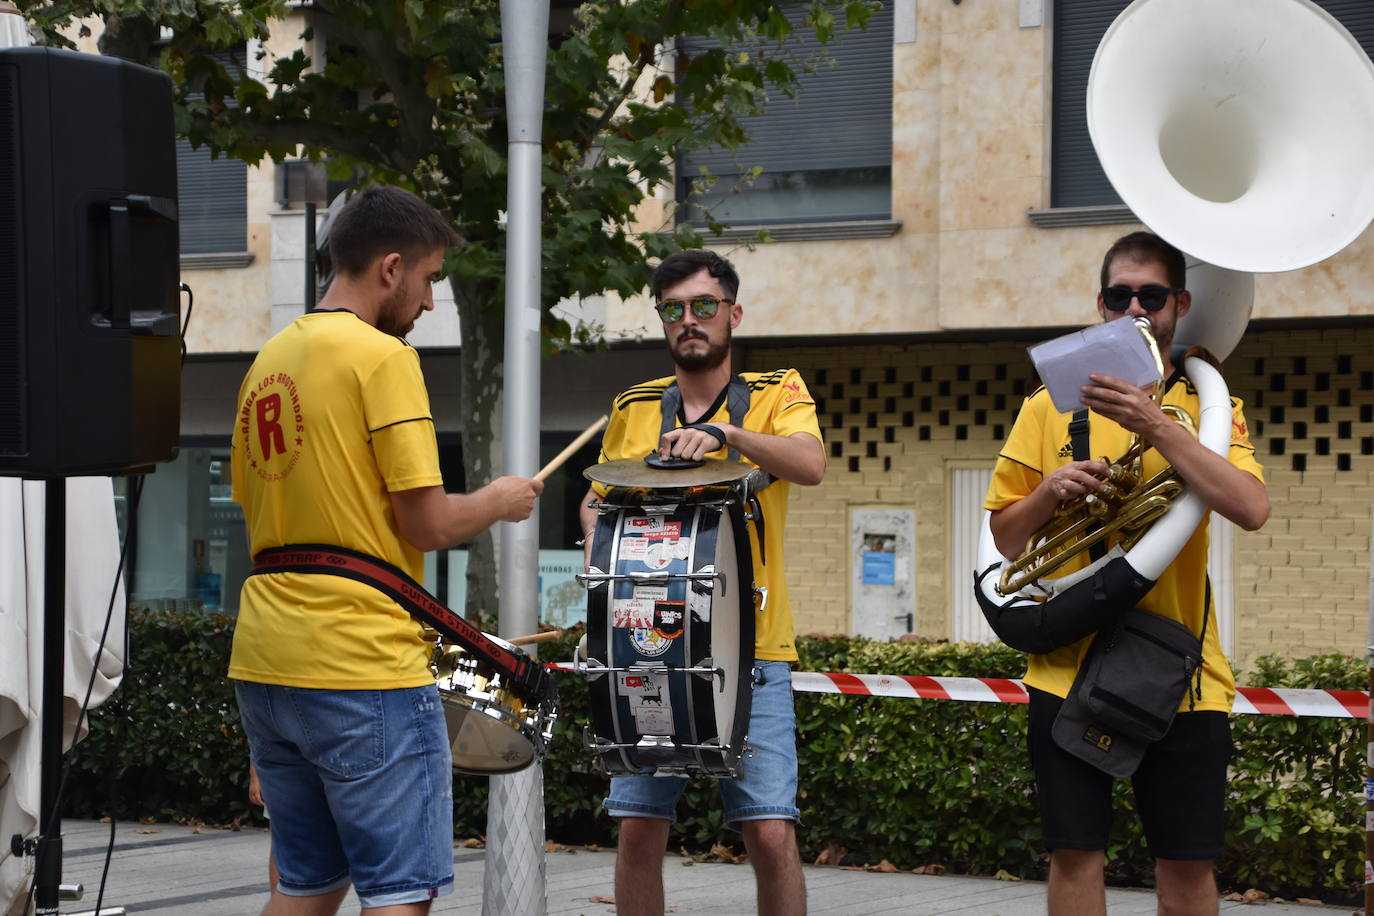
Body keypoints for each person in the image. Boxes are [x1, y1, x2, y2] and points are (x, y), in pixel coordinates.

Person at [229, 185, 543, 916]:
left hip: (267, 662)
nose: (431, 302)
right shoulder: (381, 359)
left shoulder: (266, 366)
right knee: (400, 894)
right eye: (431, 279)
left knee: (306, 888)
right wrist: (498, 502)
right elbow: (427, 524)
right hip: (361, 663)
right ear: (392, 268)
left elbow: (259, 531)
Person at [984, 231, 1269, 916]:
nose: (1136, 308)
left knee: (1187, 867)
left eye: (1152, 295)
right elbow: (1002, 533)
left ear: (1181, 303)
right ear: (1101, 304)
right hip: (1065, 665)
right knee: (1075, 855)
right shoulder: (1048, 404)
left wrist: (1160, 426)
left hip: (1184, 676)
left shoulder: (1209, 407)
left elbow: (1251, 508)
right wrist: (1051, 493)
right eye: (1120, 296)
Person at [579, 249, 826, 916]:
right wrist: (598, 544)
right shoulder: (634, 405)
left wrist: (726, 434)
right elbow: (598, 503)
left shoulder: (777, 391)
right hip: (647, 647)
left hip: (754, 651)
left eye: (704, 307)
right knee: (637, 831)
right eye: (674, 310)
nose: (689, 320)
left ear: (732, 314)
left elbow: (811, 462)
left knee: (771, 836)